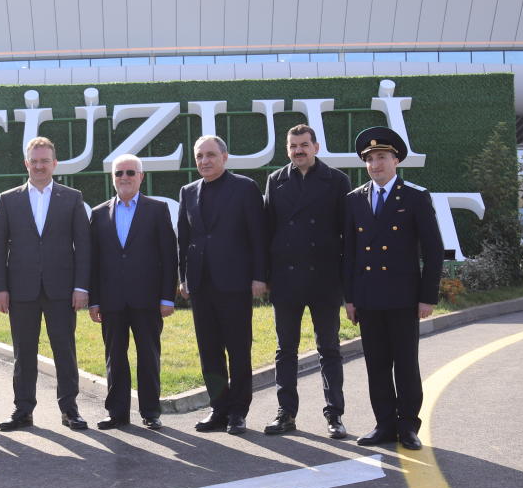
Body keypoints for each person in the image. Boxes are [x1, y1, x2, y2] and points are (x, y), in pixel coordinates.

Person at [343, 126, 444, 451]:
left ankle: (408, 426)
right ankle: (384, 423)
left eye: (382, 157)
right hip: (369, 298)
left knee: (405, 363)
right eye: (370, 159)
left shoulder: (415, 197)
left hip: (403, 297)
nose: (376, 164)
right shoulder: (354, 200)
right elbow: (350, 253)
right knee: (376, 364)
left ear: (396, 160)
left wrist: (427, 296)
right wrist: (349, 298)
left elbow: (433, 249)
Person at [0, 136, 91, 431]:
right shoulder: (10, 199)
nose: (39, 166)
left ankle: (70, 409)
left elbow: (83, 246)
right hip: (21, 290)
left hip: (61, 290)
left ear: (54, 164)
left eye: (44, 161)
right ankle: (23, 410)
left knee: (65, 351)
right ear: (26, 163)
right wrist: (0, 288)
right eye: (34, 161)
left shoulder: (72, 197)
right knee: (23, 352)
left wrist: (81, 287)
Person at [262, 124, 351, 439]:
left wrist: (347, 282)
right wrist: (265, 275)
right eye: (292, 146)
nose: (298, 150)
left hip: (324, 279)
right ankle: (286, 413)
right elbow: (266, 231)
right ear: (287, 149)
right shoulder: (276, 181)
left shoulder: (337, 181)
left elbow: (348, 236)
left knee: (329, 348)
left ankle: (334, 415)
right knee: (285, 350)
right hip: (286, 279)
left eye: (303, 145)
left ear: (315, 146)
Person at [177, 135, 269, 436]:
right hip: (201, 285)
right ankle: (219, 407)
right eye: (200, 155)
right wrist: (183, 278)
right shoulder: (188, 191)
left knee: (239, 350)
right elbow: (184, 240)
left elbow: (258, 235)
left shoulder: (244, 188)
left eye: (211, 155)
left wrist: (259, 276)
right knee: (209, 351)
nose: (205, 161)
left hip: (235, 283)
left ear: (225, 157)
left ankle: (238, 412)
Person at [88, 153, 177, 430]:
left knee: (148, 356)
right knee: (114, 356)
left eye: (130, 172)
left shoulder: (157, 209)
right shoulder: (99, 213)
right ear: (112, 178)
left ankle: (151, 412)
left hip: (148, 299)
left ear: (141, 177)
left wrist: (167, 297)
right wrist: (94, 300)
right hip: (112, 300)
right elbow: (94, 260)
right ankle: (117, 412)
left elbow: (169, 257)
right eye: (119, 173)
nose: (124, 177)